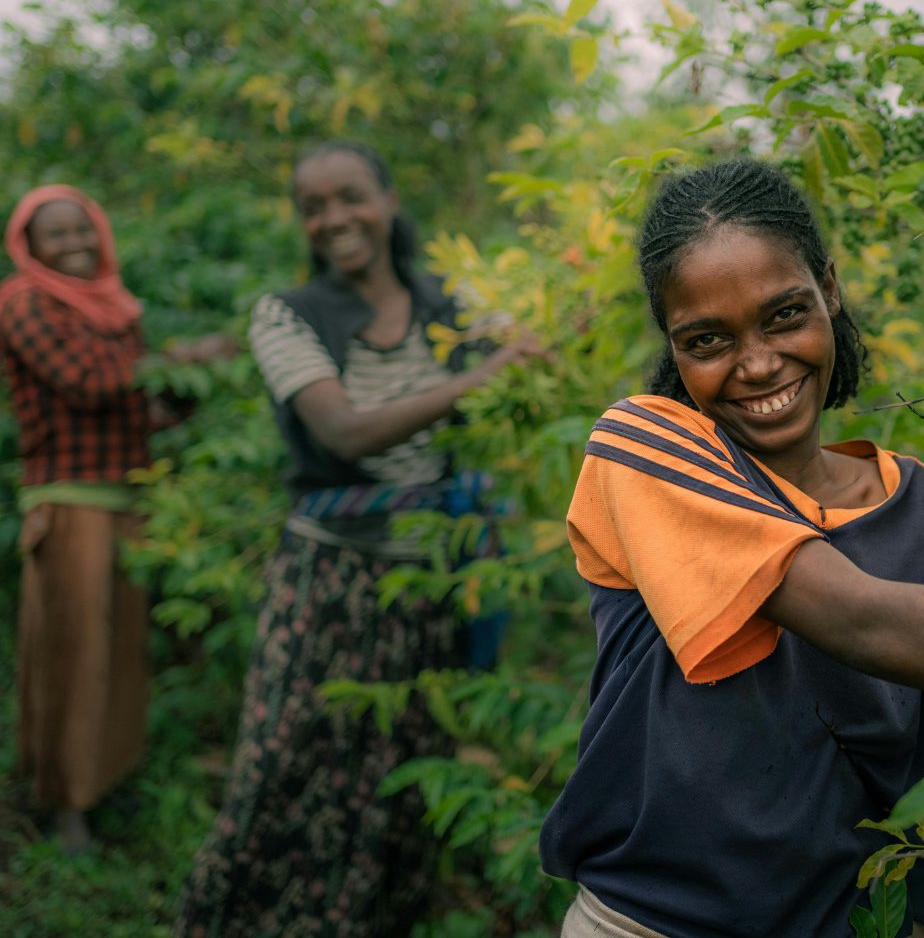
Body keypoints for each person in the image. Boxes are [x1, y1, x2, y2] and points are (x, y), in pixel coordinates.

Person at [539, 158, 924, 938]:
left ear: (829, 288)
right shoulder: (645, 451)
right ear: (672, 346)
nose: (758, 363)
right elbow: (866, 620)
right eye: (707, 340)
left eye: (785, 314)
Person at [176, 140, 540, 937]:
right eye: (314, 207)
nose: (334, 217)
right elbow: (343, 432)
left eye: (350, 197)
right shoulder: (287, 314)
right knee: (287, 765)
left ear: (388, 199)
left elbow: (536, 360)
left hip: (430, 581)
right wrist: (486, 373)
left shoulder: (453, 304)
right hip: (328, 582)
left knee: (401, 775)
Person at [0, 184, 223, 854]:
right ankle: (62, 801)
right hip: (70, 505)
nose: (74, 243)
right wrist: (185, 357)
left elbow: (139, 409)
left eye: (82, 229)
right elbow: (89, 382)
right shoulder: (22, 301)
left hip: (129, 502)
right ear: (29, 246)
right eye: (56, 234)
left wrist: (186, 392)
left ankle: (106, 781)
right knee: (73, 653)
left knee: (120, 654)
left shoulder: (117, 308)